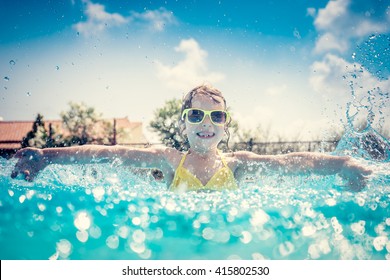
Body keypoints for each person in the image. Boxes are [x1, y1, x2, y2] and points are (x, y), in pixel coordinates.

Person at [11, 84, 372, 192]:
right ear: (183, 123)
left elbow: (293, 162)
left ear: (226, 125)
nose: (206, 122)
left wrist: (341, 164)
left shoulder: (238, 165)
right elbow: (106, 153)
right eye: (196, 114)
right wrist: (48, 155)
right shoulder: (170, 160)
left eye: (217, 116)